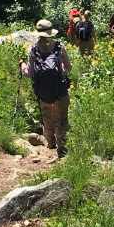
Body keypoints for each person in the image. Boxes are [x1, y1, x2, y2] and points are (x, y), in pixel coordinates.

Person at [27, 19, 71, 156]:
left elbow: (30, 73)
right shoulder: (59, 47)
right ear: (51, 33)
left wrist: (22, 66)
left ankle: (50, 142)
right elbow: (69, 68)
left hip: (43, 91)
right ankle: (61, 148)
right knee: (62, 118)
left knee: (47, 116)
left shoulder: (33, 49)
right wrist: (61, 70)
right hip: (60, 89)